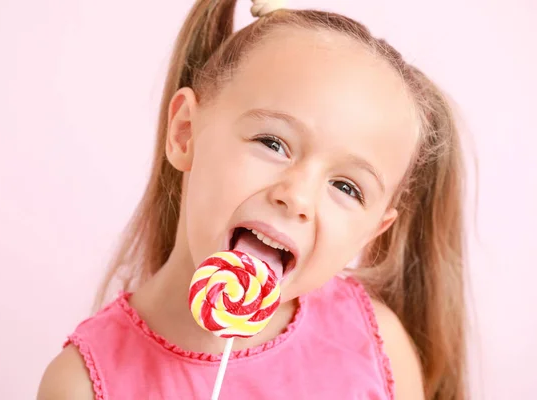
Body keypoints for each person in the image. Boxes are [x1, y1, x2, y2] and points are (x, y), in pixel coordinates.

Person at [37, 0, 467, 398]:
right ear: (186, 132)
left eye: (346, 187)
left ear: (372, 232)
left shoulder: (376, 344)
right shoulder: (82, 384)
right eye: (272, 143)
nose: (297, 197)